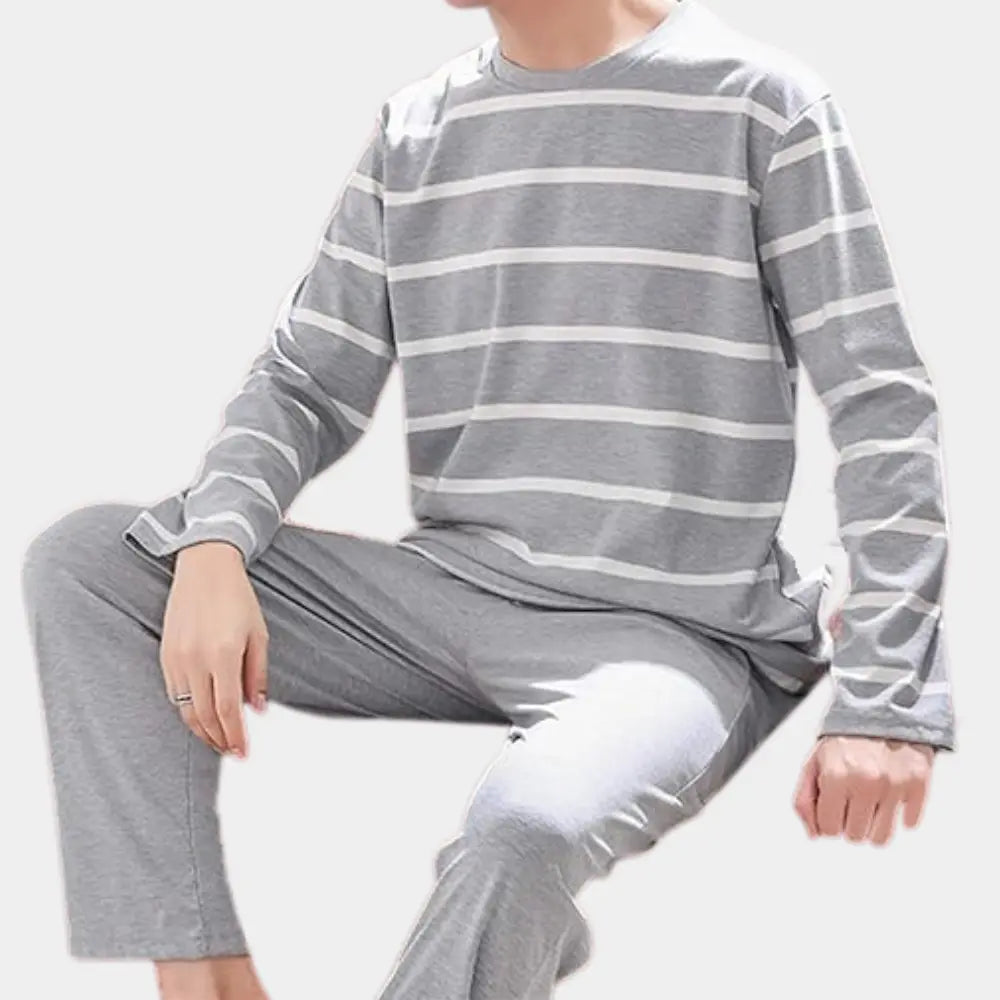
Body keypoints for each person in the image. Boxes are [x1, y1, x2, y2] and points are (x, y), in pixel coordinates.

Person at [21, 1, 955, 997]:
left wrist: (885, 701)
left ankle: (508, 937)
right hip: (447, 596)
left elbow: (881, 402)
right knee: (89, 562)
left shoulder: (761, 103)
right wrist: (214, 545)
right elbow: (305, 381)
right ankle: (208, 985)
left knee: (526, 826)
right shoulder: (417, 126)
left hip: (678, 631)